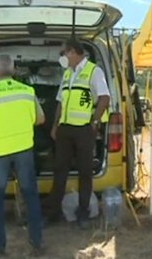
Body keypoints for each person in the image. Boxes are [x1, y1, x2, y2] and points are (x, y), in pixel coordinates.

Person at [0, 54, 45, 257]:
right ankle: (36, 243)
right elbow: (40, 119)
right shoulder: (27, 91)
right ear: (14, 71)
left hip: (0, 152)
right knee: (30, 196)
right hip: (24, 150)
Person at [44, 37, 110, 229]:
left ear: (73, 52)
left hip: (84, 129)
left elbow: (104, 98)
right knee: (60, 170)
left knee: (85, 172)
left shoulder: (93, 71)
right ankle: (54, 212)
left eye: (64, 53)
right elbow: (60, 101)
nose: (62, 57)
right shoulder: (67, 74)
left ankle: (83, 213)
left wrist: (94, 122)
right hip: (65, 129)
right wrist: (56, 125)